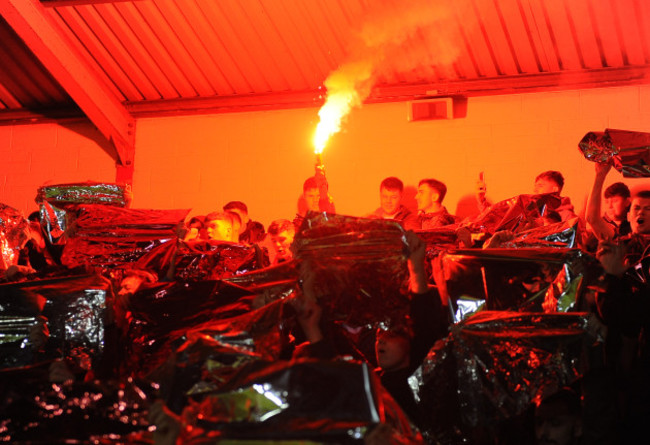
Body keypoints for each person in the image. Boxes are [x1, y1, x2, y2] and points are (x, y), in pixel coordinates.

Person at [293, 231, 448, 428]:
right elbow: (336, 352)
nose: (380, 340)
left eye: (391, 335)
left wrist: (416, 268)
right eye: (379, 334)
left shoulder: (417, 376)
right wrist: (309, 290)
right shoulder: (373, 379)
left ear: (410, 344)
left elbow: (424, 325)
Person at [586, 161, 632, 242]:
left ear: (627, 202)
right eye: (607, 202)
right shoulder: (599, 224)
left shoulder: (633, 226)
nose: (610, 206)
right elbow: (592, 219)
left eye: (615, 201)